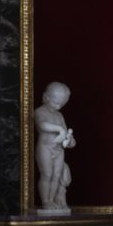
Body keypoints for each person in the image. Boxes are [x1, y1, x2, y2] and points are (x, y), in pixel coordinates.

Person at [34, 81, 75, 211]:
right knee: (47, 174)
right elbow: (43, 125)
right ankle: (46, 201)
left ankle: (52, 201)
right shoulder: (39, 111)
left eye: (62, 104)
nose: (59, 106)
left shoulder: (59, 115)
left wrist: (69, 140)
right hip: (45, 148)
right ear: (46, 97)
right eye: (56, 102)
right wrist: (59, 129)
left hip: (59, 150)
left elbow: (65, 130)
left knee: (57, 175)